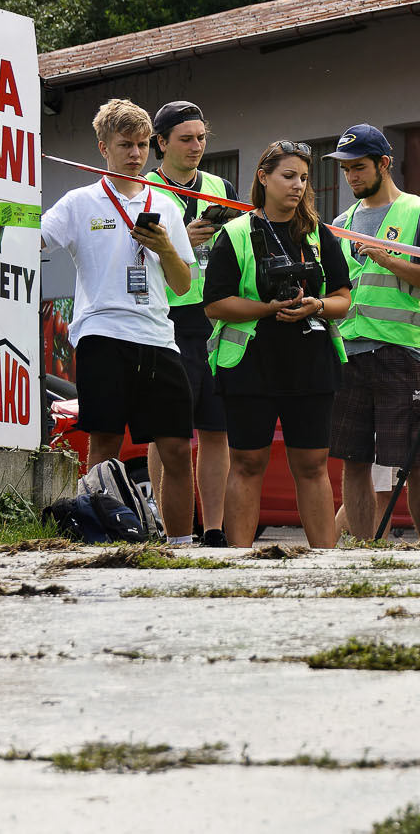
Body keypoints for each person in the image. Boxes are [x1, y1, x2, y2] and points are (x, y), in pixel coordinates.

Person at [39, 100, 196, 542]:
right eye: (126, 145)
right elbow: (34, 237)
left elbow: (182, 284)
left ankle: (182, 546)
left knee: (176, 447)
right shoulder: (79, 202)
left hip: (157, 336)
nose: (135, 154)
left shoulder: (165, 205)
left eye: (142, 145)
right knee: (105, 442)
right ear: (103, 147)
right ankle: (100, 537)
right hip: (101, 333)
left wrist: (165, 247)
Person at [202, 141, 351, 548]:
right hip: (251, 364)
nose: (298, 186)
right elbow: (215, 304)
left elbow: (343, 298)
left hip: (311, 362)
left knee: (313, 465)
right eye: (288, 176)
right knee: (247, 463)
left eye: (303, 178)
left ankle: (324, 560)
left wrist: (317, 305)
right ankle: (238, 561)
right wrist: (267, 309)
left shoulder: (319, 234)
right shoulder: (235, 233)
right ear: (263, 178)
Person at [327, 124, 420, 545]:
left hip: (399, 352)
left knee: (415, 461)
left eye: (358, 167)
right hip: (348, 353)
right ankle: (364, 552)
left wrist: (388, 260)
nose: (351, 177)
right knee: (353, 460)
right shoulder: (341, 224)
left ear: (384, 163)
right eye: (346, 169)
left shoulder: (419, 212)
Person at [142, 101, 232, 545]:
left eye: (201, 138)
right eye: (186, 139)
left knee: (217, 430)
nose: (196, 146)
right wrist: (181, 242)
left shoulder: (219, 186)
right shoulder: (144, 189)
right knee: (168, 432)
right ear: (161, 143)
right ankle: (167, 525)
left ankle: (214, 529)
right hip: (168, 318)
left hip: (216, 317)